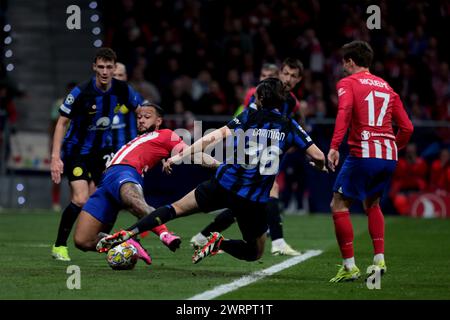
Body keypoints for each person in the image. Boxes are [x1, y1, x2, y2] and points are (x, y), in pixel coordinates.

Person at [96, 78, 327, 265]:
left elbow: (212, 137)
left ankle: (128, 232)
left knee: (174, 209)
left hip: (223, 184)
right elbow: (318, 156)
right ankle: (220, 243)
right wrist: (317, 164)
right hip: (252, 200)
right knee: (254, 253)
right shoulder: (289, 125)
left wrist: (178, 156)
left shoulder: (248, 116)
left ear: (261, 98)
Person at [190, 58, 305, 256]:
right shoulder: (257, 95)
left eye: (293, 76)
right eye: (286, 73)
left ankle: (203, 236)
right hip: (246, 150)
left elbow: (290, 125)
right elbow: (246, 118)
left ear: (299, 79)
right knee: (265, 192)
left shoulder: (291, 102)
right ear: (280, 73)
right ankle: (278, 241)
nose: (288, 79)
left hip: (268, 154)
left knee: (242, 203)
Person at [73, 102, 206, 264]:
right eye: (139, 117)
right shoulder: (139, 138)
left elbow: (193, 153)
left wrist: (219, 166)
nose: (141, 120)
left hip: (125, 173)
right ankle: (130, 245)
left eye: (147, 117)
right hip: (105, 183)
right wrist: (165, 159)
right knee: (82, 241)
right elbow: (151, 150)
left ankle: (165, 234)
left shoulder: (166, 134)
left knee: (134, 200)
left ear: (158, 121)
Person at [327, 41, 414, 282]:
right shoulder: (387, 87)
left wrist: (334, 146)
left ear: (350, 61)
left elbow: (344, 112)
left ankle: (349, 267)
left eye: (344, 62)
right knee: (373, 204)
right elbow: (407, 127)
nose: (343, 66)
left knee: (339, 204)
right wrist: (392, 146)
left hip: (363, 153)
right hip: (388, 155)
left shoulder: (348, 83)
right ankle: (378, 260)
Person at [50, 48, 143, 261]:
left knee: (112, 197)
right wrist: (56, 157)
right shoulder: (81, 92)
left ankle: (105, 239)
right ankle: (59, 245)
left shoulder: (121, 89)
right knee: (81, 199)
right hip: (77, 152)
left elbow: (141, 110)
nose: (104, 71)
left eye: (109, 67)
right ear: (94, 67)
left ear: (114, 68)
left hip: (102, 151)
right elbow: (61, 122)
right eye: (100, 67)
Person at [112, 62, 138, 150]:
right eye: (114, 75)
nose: (117, 78)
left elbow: (148, 114)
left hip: (128, 147)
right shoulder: (100, 97)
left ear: (126, 76)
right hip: (105, 148)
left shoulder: (134, 96)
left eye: (120, 75)